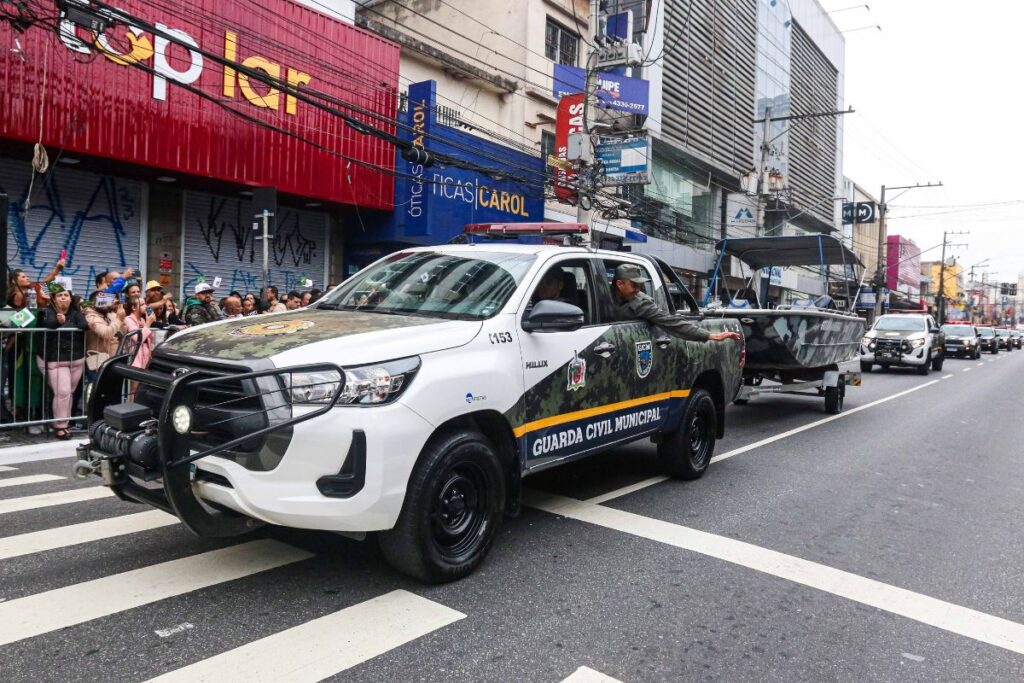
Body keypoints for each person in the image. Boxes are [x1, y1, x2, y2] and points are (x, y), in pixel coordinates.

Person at [611, 264, 741, 343]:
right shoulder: (601, 294)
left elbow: (671, 322)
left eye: (640, 285)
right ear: (619, 284)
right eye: (634, 285)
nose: (638, 290)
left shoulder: (641, 303)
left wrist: (710, 335)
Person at [35, 283, 89, 439]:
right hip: (55, 360)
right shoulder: (48, 311)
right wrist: (59, 322)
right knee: (63, 392)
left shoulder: (76, 312)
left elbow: (84, 325)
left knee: (68, 394)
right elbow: (50, 325)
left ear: (71, 299)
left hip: (76, 359)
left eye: (66, 295)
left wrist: (74, 318)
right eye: (60, 295)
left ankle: (65, 422)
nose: (64, 298)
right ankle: (60, 426)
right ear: (54, 298)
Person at [83, 294, 125, 384]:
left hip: (109, 361)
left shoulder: (108, 315)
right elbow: (106, 333)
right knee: (97, 393)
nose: (107, 303)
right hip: (96, 362)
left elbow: (123, 330)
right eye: (103, 301)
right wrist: (118, 319)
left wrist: (120, 315)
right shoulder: (91, 317)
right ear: (94, 304)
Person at [122, 295, 156, 369]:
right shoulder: (128, 320)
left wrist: (148, 322)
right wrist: (148, 324)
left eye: (145, 304)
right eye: (142, 304)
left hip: (145, 357)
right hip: (135, 357)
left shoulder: (142, 320)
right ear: (133, 307)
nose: (146, 306)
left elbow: (149, 339)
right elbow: (137, 339)